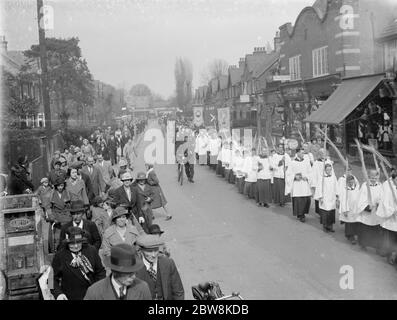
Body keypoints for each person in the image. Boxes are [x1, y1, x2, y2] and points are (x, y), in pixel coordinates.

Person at [52, 226, 106, 300]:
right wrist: (58, 294)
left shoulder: (91, 250)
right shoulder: (60, 255)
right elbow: (51, 279)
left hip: (93, 295)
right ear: (67, 242)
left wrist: (99, 289)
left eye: (78, 242)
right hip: (71, 297)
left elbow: (101, 272)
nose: (76, 246)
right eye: (72, 243)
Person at [84, 243, 151, 300]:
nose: (133, 276)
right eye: (128, 273)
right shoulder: (94, 292)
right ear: (114, 271)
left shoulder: (143, 288)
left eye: (134, 272)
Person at [136, 234, 184, 300]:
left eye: (156, 250)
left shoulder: (168, 263)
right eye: (149, 251)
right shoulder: (135, 268)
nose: (153, 255)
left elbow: (178, 291)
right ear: (141, 251)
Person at [355, 169, 383, 250]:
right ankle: (363, 244)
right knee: (365, 229)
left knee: (374, 229)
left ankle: (374, 245)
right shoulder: (365, 185)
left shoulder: (380, 186)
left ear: (377, 177)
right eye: (372, 178)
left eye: (375, 178)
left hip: (375, 212)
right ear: (369, 176)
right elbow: (360, 198)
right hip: (367, 212)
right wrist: (366, 206)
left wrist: (378, 203)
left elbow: (382, 197)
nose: (373, 179)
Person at [286, 148, 312, 222]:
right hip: (297, 184)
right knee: (298, 200)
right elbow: (288, 174)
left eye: (303, 153)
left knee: (306, 199)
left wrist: (306, 177)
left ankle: (303, 213)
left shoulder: (306, 162)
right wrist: (294, 177)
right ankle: (300, 214)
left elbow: (310, 172)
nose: (303, 154)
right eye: (301, 153)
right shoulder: (292, 162)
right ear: (297, 153)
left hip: (304, 183)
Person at [377, 172, 397, 264]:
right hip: (390, 218)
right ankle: (390, 255)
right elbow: (384, 202)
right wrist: (392, 211)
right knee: (390, 238)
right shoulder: (388, 187)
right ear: (393, 179)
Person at [48, 178, 71, 253]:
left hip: (66, 216)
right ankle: (56, 250)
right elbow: (49, 208)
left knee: (67, 235)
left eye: (62, 185)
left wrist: (69, 216)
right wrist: (52, 217)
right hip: (56, 217)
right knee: (57, 237)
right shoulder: (52, 194)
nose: (60, 187)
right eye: (59, 186)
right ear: (56, 186)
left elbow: (69, 207)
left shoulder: (67, 193)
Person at [314, 163, 337, 233]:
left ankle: (330, 226)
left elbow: (336, 186)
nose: (329, 171)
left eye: (330, 169)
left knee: (331, 212)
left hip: (332, 197)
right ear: (325, 170)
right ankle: (325, 226)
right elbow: (319, 188)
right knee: (325, 212)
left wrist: (337, 195)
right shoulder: (322, 178)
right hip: (325, 197)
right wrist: (320, 197)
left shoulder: (333, 177)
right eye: (327, 170)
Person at [337, 175, 360, 244]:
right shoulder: (345, 190)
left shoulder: (356, 189)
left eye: (352, 182)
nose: (351, 184)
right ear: (347, 182)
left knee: (355, 222)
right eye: (349, 182)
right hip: (348, 208)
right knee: (349, 222)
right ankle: (350, 236)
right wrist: (345, 210)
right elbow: (343, 200)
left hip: (355, 208)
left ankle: (354, 234)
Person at [312, 148, 334, 216]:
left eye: (324, 153)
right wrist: (314, 184)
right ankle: (319, 211)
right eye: (321, 153)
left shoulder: (328, 161)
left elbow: (332, 171)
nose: (323, 154)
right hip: (319, 181)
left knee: (326, 196)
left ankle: (326, 210)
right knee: (319, 195)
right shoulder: (316, 162)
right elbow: (314, 173)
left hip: (327, 181)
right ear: (319, 154)